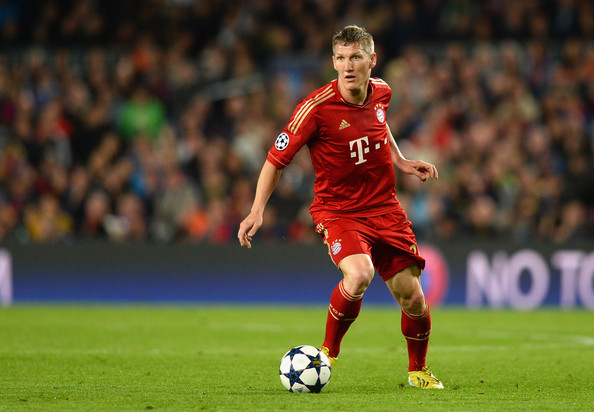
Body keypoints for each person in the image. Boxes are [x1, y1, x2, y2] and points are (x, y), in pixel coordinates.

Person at [237, 25, 443, 389]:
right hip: (339, 211)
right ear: (333, 61)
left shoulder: (382, 91)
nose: (348, 66)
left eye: (356, 58)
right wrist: (257, 210)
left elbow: (380, 126)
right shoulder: (314, 109)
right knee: (359, 274)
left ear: (371, 60)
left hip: (385, 208)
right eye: (341, 59)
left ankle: (418, 370)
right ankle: (326, 354)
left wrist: (401, 160)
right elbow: (274, 161)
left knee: (412, 296)